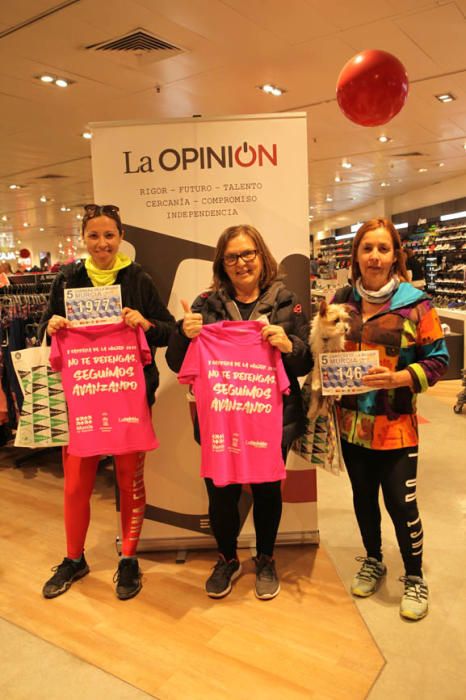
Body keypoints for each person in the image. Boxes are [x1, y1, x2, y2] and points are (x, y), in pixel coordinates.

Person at [166, 224, 311, 600]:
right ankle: (227, 558)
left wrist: (288, 344)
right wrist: (184, 333)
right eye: (232, 257)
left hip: (271, 417)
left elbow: (305, 362)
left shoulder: (287, 300)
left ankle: (265, 559)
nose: (241, 263)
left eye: (248, 254)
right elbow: (176, 363)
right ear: (222, 264)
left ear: (262, 256)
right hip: (221, 416)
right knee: (221, 493)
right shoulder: (205, 304)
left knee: (266, 491)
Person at [40, 203, 175, 601]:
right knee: (76, 484)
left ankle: (129, 559)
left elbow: (166, 330)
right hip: (83, 398)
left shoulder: (138, 278)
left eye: (109, 235)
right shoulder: (67, 278)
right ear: (84, 238)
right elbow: (50, 331)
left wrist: (144, 324)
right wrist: (53, 326)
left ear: (121, 238)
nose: (102, 244)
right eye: (94, 236)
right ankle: (73, 558)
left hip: (130, 397)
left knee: (129, 480)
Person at [333, 218, 448, 621]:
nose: (375, 257)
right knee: (363, 500)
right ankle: (373, 559)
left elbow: (439, 360)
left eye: (383, 249)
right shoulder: (341, 301)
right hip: (350, 425)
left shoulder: (416, 303)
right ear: (356, 256)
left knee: (401, 504)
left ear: (396, 255)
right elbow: (328, 351)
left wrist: (400, 376)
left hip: (396, 426)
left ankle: (414, 577)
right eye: (367, 249)